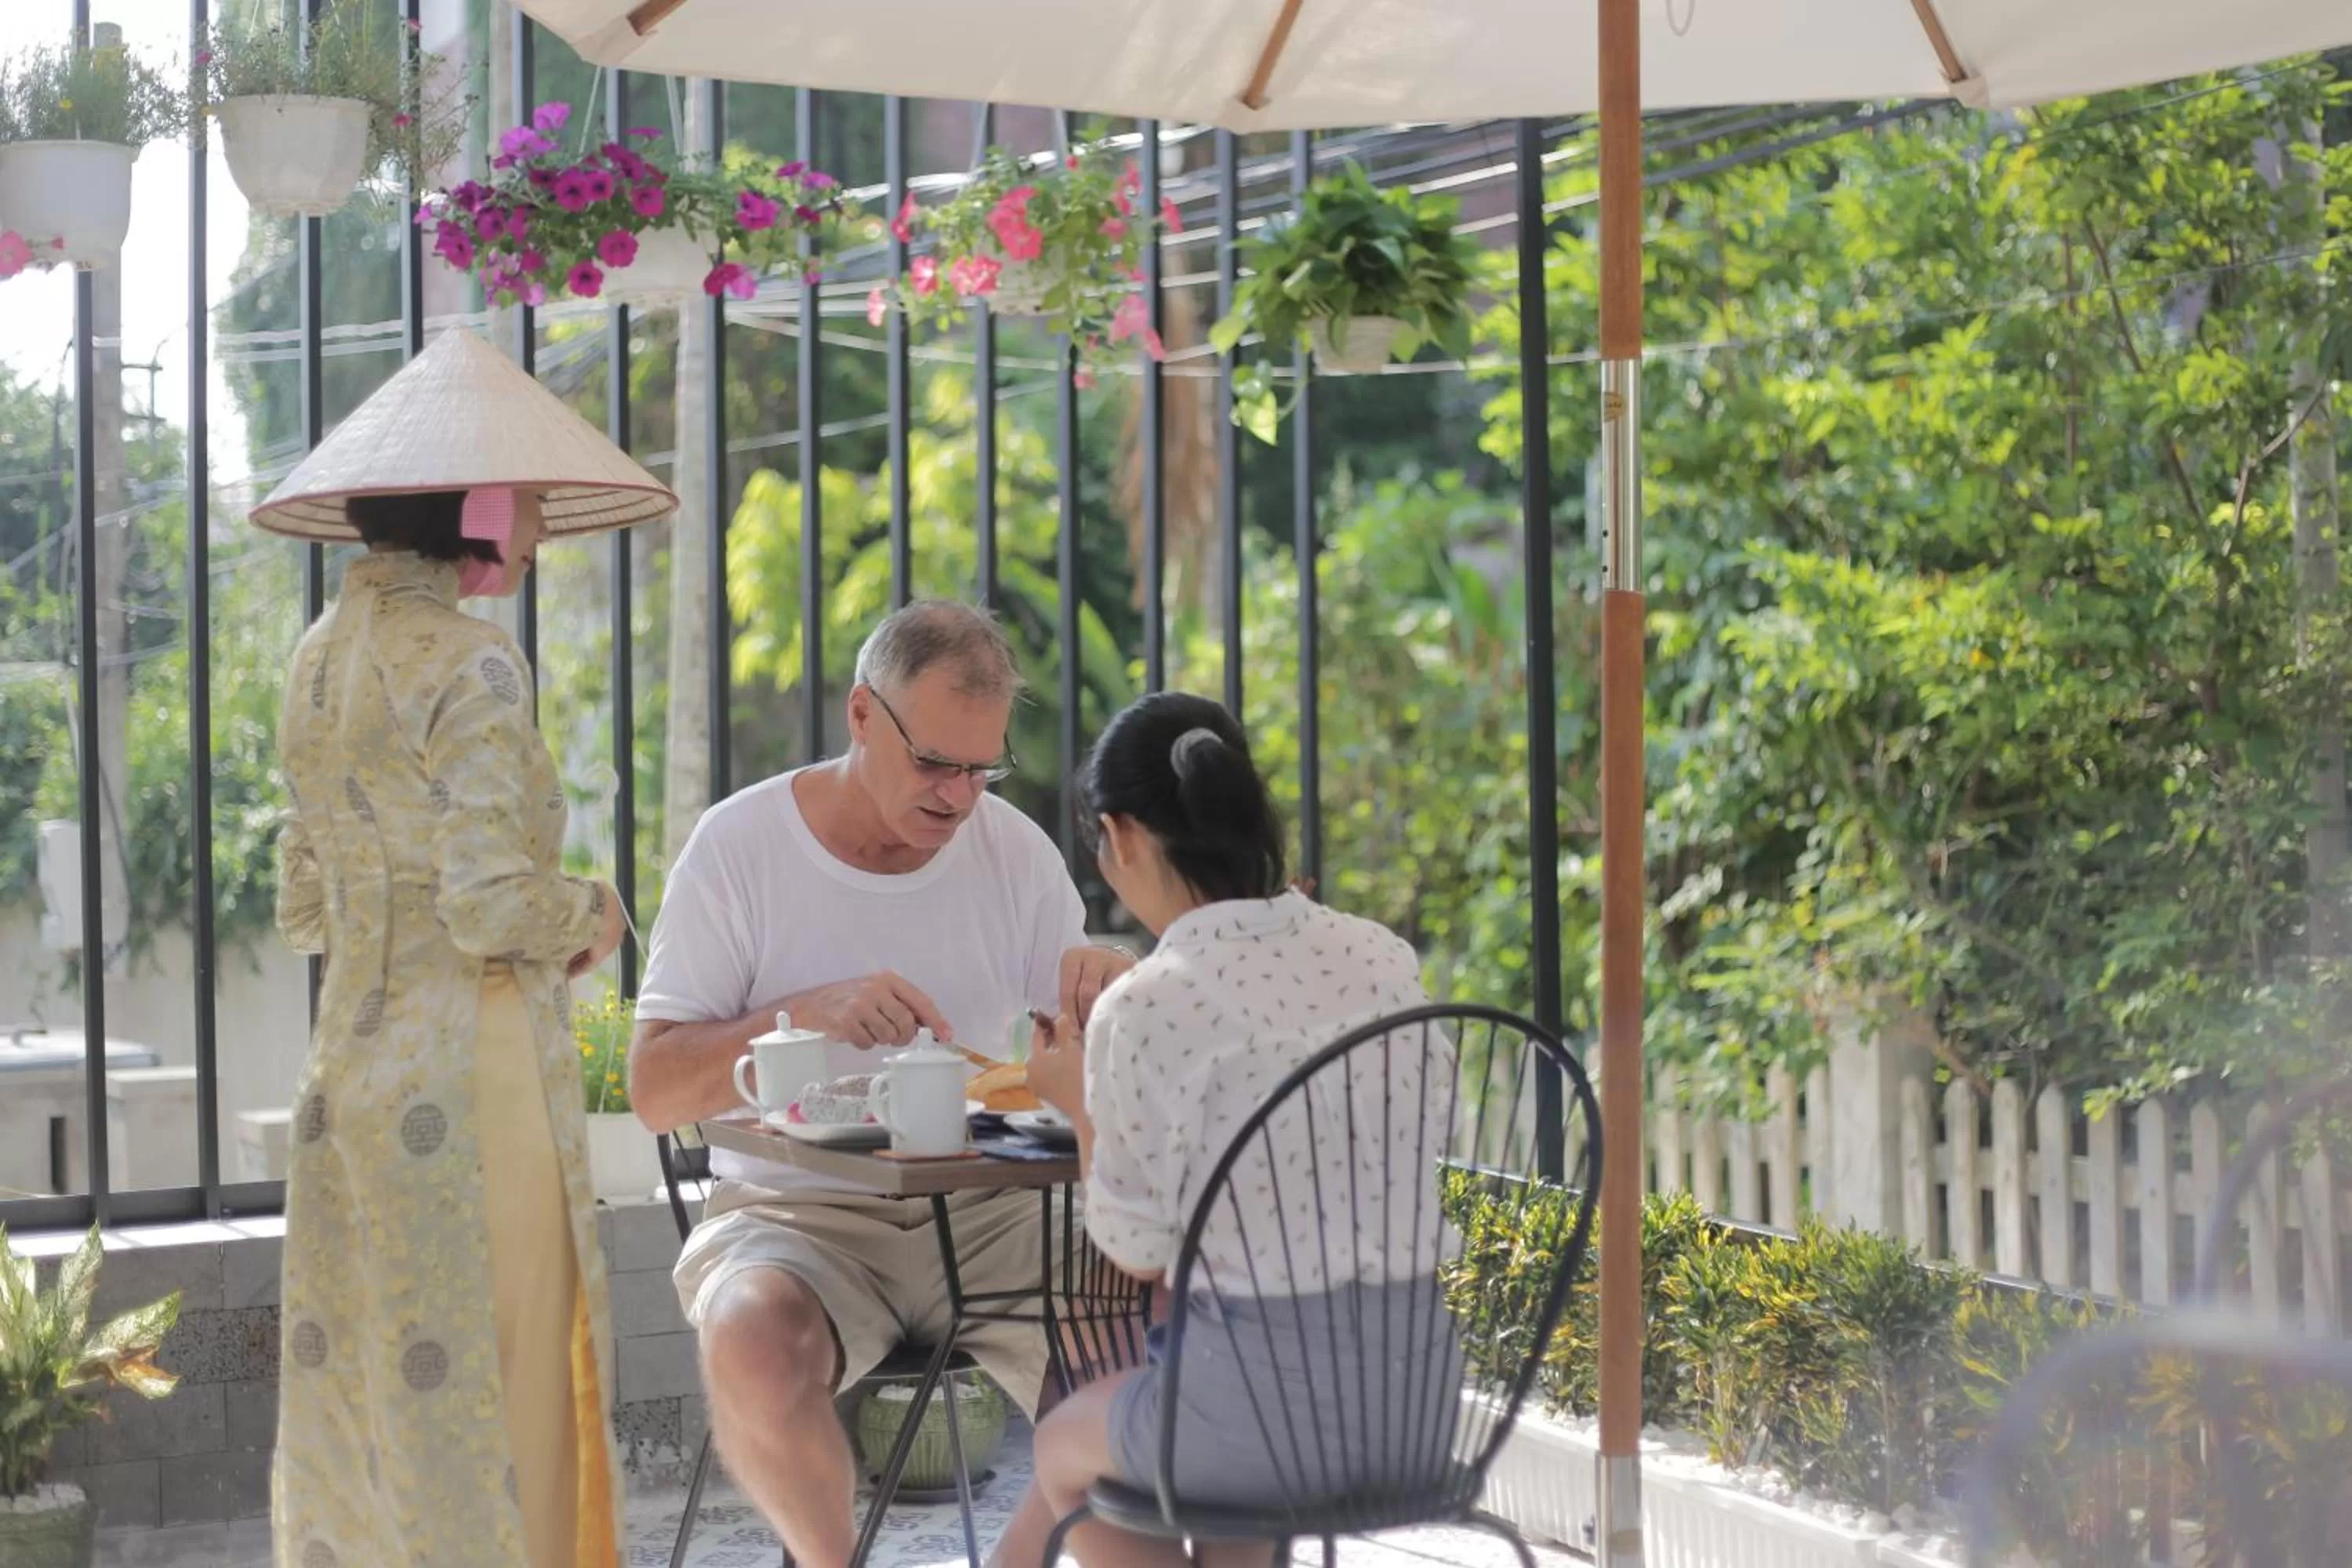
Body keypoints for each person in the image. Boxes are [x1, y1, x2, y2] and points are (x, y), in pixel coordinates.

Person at [258, 328, 675, 1568]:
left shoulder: (315, 662)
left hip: (350, 1081)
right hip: (473, 1081)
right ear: (481, 504)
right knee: (505, 1402)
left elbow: (303, 904)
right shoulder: (476, 662)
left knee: (373, 1409)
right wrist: (594, 911)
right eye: (532, 500)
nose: (541, 526)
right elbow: (493, 903)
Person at [629, 599, 1134, 1568]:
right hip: (799, 1214)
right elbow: (653, 1088)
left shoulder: (1014, 852)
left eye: (981, 769)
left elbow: (1077, 1041)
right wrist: (803, 1012)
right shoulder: (739, 849)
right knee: (749, 1335)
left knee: (1138, 1320)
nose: (956, 796)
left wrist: (1109, 991)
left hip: (995, 1210)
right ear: (863, 715)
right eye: (935, 763)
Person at [991, 691, 1450, 1568]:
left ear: (1122, 835)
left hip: (1261, 1410)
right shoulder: (1382, 953)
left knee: (1063, 1448)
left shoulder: (1150, 1000)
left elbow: (1134, 1248)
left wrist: (1079, 1097)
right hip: (1414, 1399)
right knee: (1225, 1463)